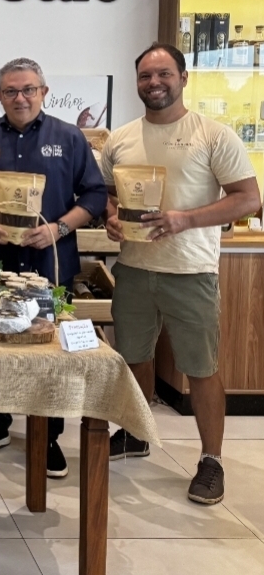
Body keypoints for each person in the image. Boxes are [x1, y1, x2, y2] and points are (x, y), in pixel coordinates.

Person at [101, 43, 260, 505]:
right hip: (133, 269)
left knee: (201, 369)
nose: (154, 83)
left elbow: (248, 198)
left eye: (164, 74)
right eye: (146, 76)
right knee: (133, 357)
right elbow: (109, 195)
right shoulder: (120, 138)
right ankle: (135, 433)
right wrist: (111, 219)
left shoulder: (213, 135)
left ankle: (211, 461)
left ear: (183, 78)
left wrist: (185, 219)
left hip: (190, 271)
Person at [0, 58, 107, 478]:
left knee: (50, 353)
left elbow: (94, 196)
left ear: (44, 91)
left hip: (50, 264)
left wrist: (59, 228)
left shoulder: (70, 137)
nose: (19, 98)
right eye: (10, 91)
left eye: (28, 89)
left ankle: (49, 435)